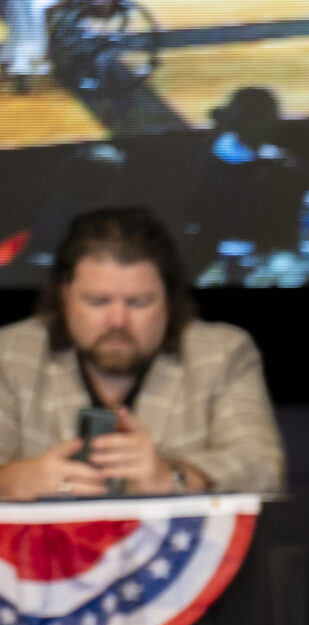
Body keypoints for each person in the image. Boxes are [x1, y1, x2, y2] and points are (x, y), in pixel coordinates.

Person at [0, 206, 284, 500]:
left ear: (169, 301)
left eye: (138, 302)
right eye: (98, 301)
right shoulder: (10, 355)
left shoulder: (222, 353)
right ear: (64, 296)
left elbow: (264, 469)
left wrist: (175, 476)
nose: (118, 320)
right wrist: (13, 480)